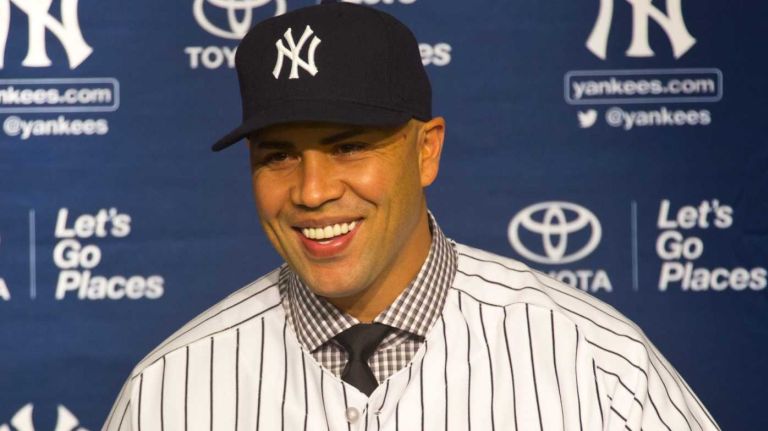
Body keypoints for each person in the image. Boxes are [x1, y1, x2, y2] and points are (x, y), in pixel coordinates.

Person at [103, 2, 720, 430]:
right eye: (279, 155)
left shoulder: (596, 363)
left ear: (426, 150)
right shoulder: (169, 388)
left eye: (349, 146)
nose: (313, 191)